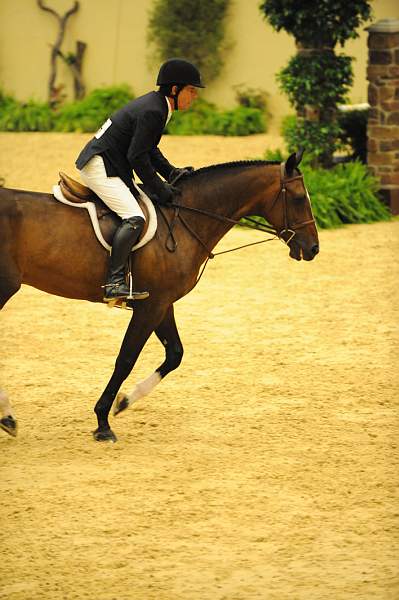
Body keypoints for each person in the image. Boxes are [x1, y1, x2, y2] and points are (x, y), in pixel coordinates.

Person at [76, 58, 205, 302]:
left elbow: (148, 149)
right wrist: (160, 189)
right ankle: (114, 282)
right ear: (175, 90)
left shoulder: (158, 106)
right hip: (100, 166)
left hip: (112, 163)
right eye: (191, 91)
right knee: (135, 217)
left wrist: (171, 173)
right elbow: (137, 157)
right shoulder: (154, 110)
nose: (194, 96)